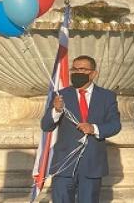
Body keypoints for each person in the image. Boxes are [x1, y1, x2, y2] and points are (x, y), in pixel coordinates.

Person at [42, 55, 121, 203]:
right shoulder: (60, 95)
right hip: (64, 164)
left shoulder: (107, 96)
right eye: (75, 69)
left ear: (93, 73)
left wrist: (94, 128)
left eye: (83, 69)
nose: (77, 72)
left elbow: (115, 125)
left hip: (92, 164)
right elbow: (46, 126)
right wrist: (56, 111)